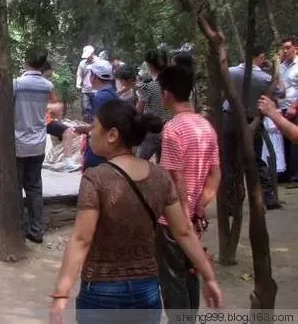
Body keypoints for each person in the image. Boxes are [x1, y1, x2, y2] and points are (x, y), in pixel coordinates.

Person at [49, 100, 222, 324]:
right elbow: (184, 232)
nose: (90, 133)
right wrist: (209, 277)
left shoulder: (95, 178)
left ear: (112, 135)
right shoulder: (160, 177)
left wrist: (61, 294)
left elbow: (82, 239)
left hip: (102, 290)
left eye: (95, 127)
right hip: (146, 290)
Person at [157, 65, 221, 316]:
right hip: (193, 218)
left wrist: (183, 216)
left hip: (172, 221)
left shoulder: (172, 130)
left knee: (173, 280)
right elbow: (215, 173)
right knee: (191, 271)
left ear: (167, 94)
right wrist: (200, 208)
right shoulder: (206, 127)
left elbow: (175, 178)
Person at [223, 46, 277, 208]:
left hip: (230, 118)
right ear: (261, 57)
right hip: (252, 121)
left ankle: (232, 201)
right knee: (255, 159)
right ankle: (268, 197)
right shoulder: (265, 78)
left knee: (230, 161)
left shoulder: (230, 72)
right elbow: (279, 93)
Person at [13, 48, 54, 243]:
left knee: (16, 186)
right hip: (38, 143)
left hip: (18, 142)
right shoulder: (47, 86)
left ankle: (16, 229)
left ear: (26, 61)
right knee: (35, 187)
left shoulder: (16, 84)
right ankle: (37, 230)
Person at [136, 49, 172, 161]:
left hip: (153, 129)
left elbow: (139, 110)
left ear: (150, 65)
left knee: (140, 161)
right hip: (170, 129)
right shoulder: (172, 85)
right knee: (164, 164)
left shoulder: (149, 87)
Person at [82, 59, 117, 170]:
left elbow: (98, 127)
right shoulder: (111, 93)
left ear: (94, 76)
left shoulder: (101, 97)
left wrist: (82, 128)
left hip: (98, 150)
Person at [278, 37, 298, 187]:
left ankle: (296, 176)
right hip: (283, 108)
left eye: (287, 48)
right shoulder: (282, 66)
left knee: (295, 141)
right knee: (284, 141)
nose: (285, 51)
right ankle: (287, 172)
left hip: (295, 107)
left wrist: (295, 106)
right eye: (283, 48)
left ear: (295, 49)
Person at [76, 46, 96, 122]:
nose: (87, 58)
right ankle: (86, 123)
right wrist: (78, 84)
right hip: (86, 89)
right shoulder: (82, 63)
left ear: (92, 53)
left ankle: (94, 123)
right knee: (85, 107)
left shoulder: (99, 62)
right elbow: (79, 74)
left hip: (96, 90)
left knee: (95, 107)